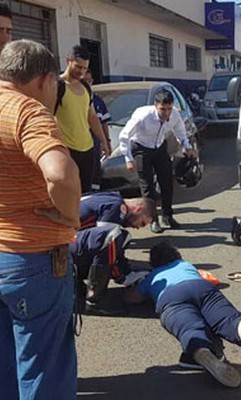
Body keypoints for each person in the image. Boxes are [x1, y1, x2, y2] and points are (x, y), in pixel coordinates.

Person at [0, 39, 81, 400]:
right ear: (46, 79)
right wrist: (69, 215)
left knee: (5, 365)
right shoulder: (28, 112)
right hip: (33, 259)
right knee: (43, 367)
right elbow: (60, 175)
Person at [125, 241, 241, 388]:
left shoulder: (154, 275)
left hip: (170, 297)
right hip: (200, 287)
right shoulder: (186, 265)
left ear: (154, 263)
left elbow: (134, 298)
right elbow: (210, 279)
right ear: (177, 256)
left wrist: (134, 290)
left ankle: (202, 351)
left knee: (189, 328)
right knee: (232, 319)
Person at [119, 90, 198, 234]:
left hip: (159, 146)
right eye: (162, 109)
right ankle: (153, 219)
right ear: (156, 106)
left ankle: (167, 216)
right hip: (141, 148)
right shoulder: (143, 116)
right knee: (147, 185)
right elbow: (124, 136)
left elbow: (180, 131)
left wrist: (187, 147)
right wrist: (128, 159)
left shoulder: (174, 114)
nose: (166, 113)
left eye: (169, 109)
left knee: (167, 181)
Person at [55, 45, 110, 193]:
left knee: (85, 193)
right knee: (68, 192)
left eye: (84, 68)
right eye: (78, 66)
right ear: (68, 61)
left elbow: (92, 117)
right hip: (67, 150)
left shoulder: (85, 87)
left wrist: (104, 141)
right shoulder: (57, 86)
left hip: (88, 150)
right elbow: (46, 116)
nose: (81, 71)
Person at [70, 224, 147, 314]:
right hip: (66, 259)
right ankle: (94, 303)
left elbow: (118, 261)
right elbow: (105, 263)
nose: (137, 227)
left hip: (70, 254)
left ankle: (78, 286)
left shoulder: (112, 234)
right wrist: (121, 278)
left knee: (100, 261)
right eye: (142, 223)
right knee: (104, 265)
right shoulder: (115, 236)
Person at [83, 69, 112, 190]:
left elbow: (103, 123)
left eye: (89, 80)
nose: (87, 83)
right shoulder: (76, 98)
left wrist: (106, 142)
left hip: (95, 145)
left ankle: (95, 196)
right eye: (84, 80)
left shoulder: (98, 101)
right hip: (80, 144)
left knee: (95, 174)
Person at [78, 191, 156, 230]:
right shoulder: (117, 208)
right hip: (68, 231)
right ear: (138, 209)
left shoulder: (112, 196)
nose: (138, 228)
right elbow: (102, 238)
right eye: (142, 223)